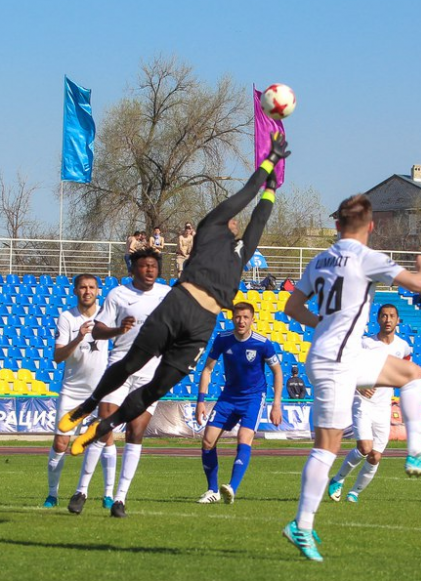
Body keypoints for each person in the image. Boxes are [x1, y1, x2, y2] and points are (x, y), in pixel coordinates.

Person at [58, 130, 290, 457]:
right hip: (180, 303)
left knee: (155, 390)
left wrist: (273, 188)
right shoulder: (211, 226)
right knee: (131, 363)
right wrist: (270, 162)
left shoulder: (242, 251)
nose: (237, 222)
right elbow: (246, 192)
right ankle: (89, 405)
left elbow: (260, 217)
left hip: (203, 324)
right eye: (232, 219)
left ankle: (103, 427)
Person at [281, 193, 421, 562]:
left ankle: (416, 454)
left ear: (336, 226)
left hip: (341, 354)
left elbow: (291, 307)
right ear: (371, 226)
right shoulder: (366, 256)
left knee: (410, 374)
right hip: (335, 362)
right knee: (326, 446)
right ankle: (302, 522)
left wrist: (322, 323)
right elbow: (419, 285)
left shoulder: (320, 259)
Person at [67, 248, 171, 518]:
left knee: (136, 432)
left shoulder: (166, 295)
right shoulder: (118, 294)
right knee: (104, 426)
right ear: (133, 269)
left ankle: (120, 499)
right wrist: (118, 329)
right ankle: (81, 491)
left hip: (150, 373)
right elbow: (98, 330)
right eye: (144, 266)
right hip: (121, 368)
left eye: (153, 266)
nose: (149, 270)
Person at [196, 302, 283, 504]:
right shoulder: (223, 339)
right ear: (231, 318)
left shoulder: (262, 343)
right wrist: (200, 401)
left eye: (245, 317)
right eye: (237, 317)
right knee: (208, 441)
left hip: (253, 397)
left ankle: (231, 489)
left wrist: (276, 404)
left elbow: (278, 371)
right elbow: (207, 370)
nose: (241, 321)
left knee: (244, 438)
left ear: (253, 319)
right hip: (228, 397)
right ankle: (212, 490)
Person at [327, 304, 411, 504]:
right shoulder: (364, 344)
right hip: (363, 402)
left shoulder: (403, 346)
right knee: (365, 447)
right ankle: (338, 479)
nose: (388, 319)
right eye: (384, 316)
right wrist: (359, 386)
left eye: (392, 316)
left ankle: (354, 492)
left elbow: (405, 371)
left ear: (398, 320)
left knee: (375, 456)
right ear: (378, 319)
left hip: (384, 407)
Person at [43, 275, 110, 508]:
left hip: (100, 393)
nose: (87, 291)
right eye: (83, 287)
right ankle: (52, 494)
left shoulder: (106, 315)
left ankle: (106, 494)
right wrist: (79, 336)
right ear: (75, 291)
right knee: (61, 444)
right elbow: (58, 356)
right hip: (71, 391)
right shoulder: (66, 317)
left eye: (92, 287)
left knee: (103, 440)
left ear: (98, 291)